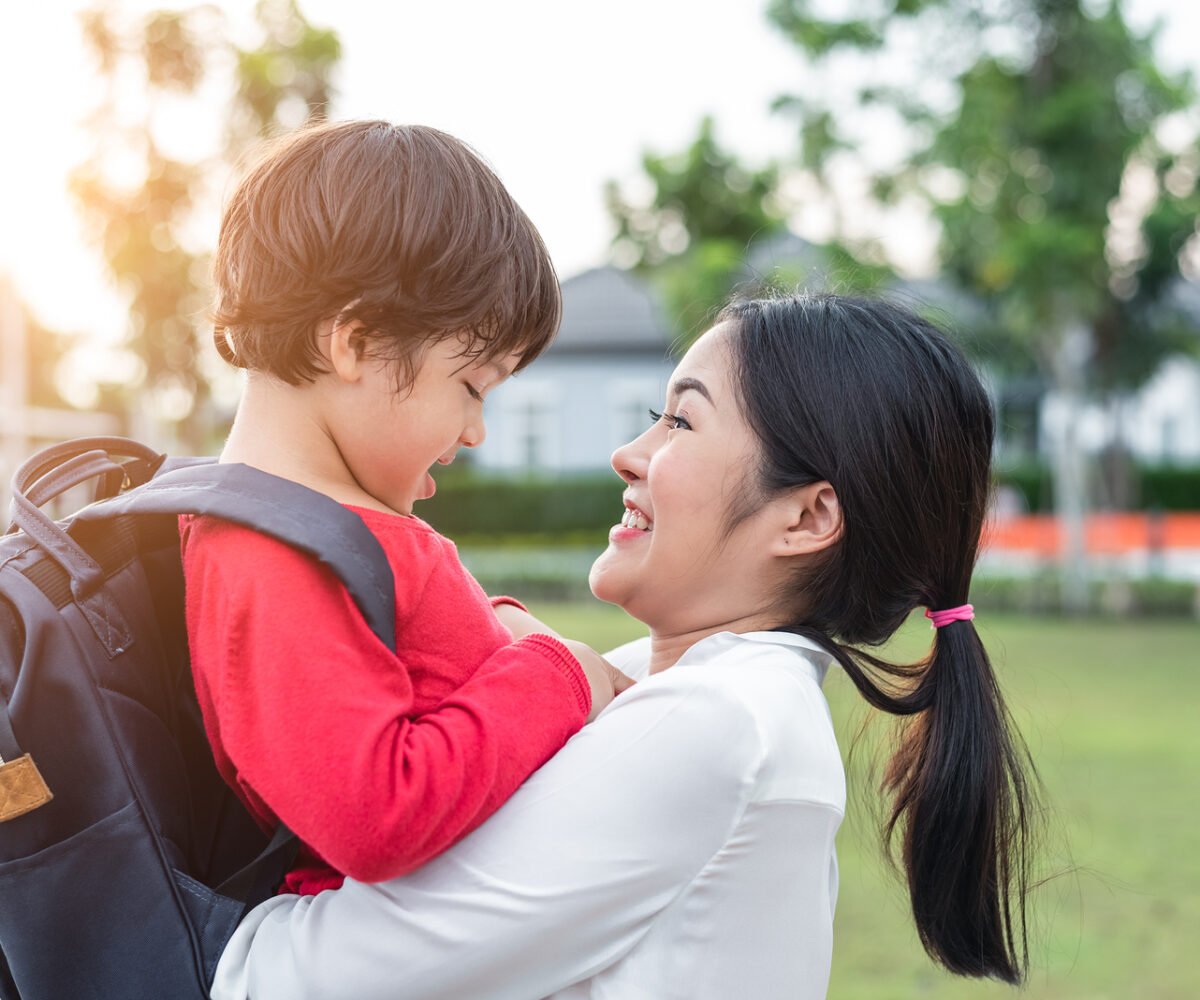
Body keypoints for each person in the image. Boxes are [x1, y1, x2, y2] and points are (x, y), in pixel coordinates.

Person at [210, 293, 1039, 999]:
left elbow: (310, 982)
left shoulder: (722, 721)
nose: (628, 454)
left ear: (807, 517)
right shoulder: (669, 687)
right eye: (655, 416)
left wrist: (167, 899)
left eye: (681, 420)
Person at [180, 119, 631, 898]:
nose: (474, 431)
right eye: (471, 387)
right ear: (356, 343)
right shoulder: (272, 553)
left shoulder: (331, 531)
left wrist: (506, 630)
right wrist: (559, 676)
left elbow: (413, 657)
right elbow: (376, 814)